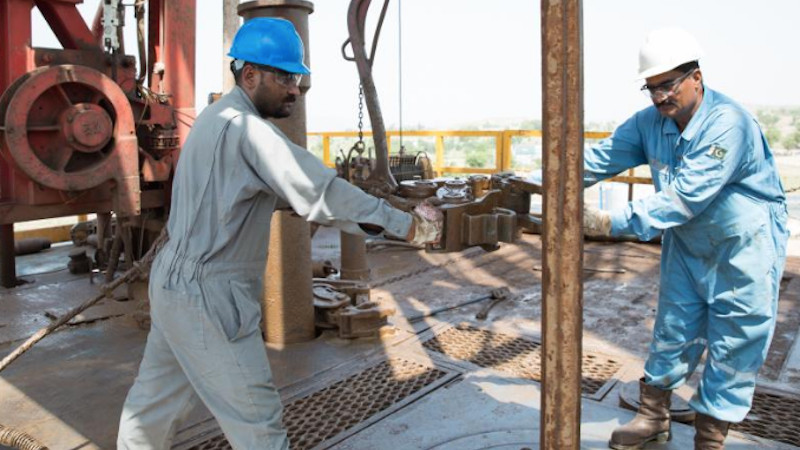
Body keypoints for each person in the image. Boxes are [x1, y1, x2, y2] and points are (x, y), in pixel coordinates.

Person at [117, 18, 441, 449]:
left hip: (175, 283)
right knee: (257, 424)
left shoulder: (214, 117)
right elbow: (320, 191)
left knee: (151, 408)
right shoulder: (248, 130)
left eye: (299, 77)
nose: (296, 89)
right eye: (286, 76)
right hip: (210, 296)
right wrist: (409, 225)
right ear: (250, 75)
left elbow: (259, 192)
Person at [580, 28, 789, 449]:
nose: (659, 97)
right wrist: (533, 183)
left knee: (736, 339)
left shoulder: (728, 123)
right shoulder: (649, 123)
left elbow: (685, 196)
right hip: (687, 244)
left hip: (743, 245)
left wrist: (607, 221)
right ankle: (653, 417)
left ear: (697, 76)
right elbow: (594, 160)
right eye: (651, 87)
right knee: (673, 329)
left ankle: (710, 437)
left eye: (668, 84)